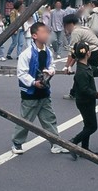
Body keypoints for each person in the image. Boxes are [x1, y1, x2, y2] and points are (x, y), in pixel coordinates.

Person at [10, 22, 65, 154]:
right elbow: (21, 73)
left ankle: (55, 143)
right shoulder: (27, 53)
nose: (47, 35)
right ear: (34, 36)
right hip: (30, 92)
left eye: (47, 32)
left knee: (49, 118)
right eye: (43, 32)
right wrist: (34, 82)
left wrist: (50, 71)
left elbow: (51, 65)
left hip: (44, 90)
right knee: (26, 120)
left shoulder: (48, 52)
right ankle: (17, 143)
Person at [68, 41, 98, 157]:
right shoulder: (82, 71)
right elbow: (84, 89)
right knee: (92, 127)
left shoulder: (85, 67)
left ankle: (84, 148)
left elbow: (96, 71)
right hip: (85, 101)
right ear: (88, 53)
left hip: (86, 101)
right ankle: (73, 142)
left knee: (88, 125)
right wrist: (96, 94)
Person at [62, 13, 98, 100]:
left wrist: (67, 66)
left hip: (91, 53)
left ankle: (87, 94)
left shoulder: (76, 32)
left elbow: (72, 51)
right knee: (84, 74)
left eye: (65, 26)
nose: (65, 28)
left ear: (70, 24)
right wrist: (69, 66)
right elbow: (75, 54)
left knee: (84, 74)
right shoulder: (81, 28)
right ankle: (75, 93)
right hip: (93, 52)